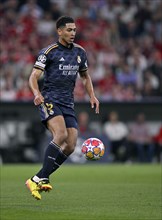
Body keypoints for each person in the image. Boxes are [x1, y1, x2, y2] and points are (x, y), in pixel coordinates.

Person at [25, 16, 99, 200]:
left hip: (68, 103)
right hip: (50, 100)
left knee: (71, 145)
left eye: (74, 30)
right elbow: (33, 76)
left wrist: (92, 95)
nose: (73, 33)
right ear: (59, 31)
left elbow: (85, 76)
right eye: (69, 30)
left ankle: (37, 178)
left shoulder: (80, 52)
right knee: (61, 135)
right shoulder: (49, 52)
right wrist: (36, 93)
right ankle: (42, 177)